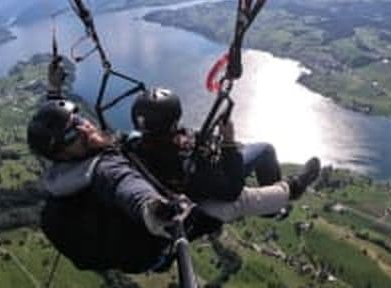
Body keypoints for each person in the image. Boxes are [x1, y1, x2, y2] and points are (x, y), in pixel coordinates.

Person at [27, 99, 320, 273]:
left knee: (226, 197)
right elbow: (126, 187)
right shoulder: (101, 168)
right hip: (160, 236)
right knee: (236, 202)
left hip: (146, 232)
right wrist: (155, 210)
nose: (84, 127)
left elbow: (67, 142)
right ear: (62, 153)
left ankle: (281, 200)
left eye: (78, 118)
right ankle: (290, 191)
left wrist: (54, 90)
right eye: (71, 134)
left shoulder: (63, 172)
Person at [128, 87, 318, 205]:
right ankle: (281, 201)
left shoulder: (135, 146)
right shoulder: (185, 160)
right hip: (210, 183)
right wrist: (228, 141)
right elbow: (231, 190)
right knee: (266, 150)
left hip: (186, 178)